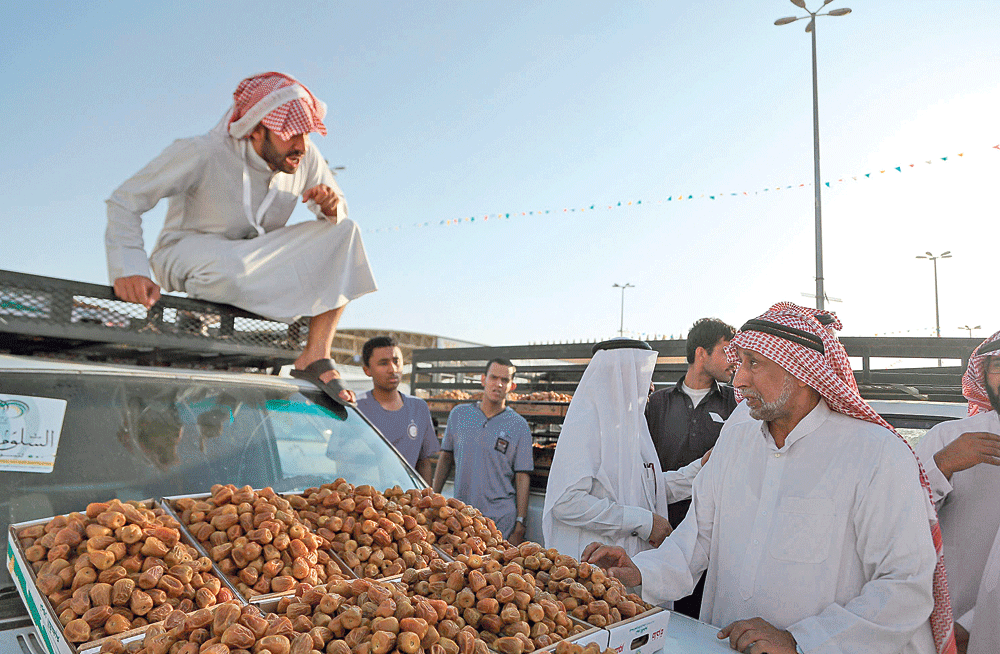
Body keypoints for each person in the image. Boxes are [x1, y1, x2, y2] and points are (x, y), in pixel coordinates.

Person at [584, 303, 957, 654]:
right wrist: (639, 571)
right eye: (739, 362)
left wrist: (800, 641)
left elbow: (904, 587)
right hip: (720, 643)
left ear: (802, 371)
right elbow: (698, 536)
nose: (739, 378)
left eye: (754, 363)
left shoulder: (875, 454)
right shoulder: (736, 436)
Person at [105, 72, 377, 405]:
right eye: (291, 134)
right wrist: (128, 268)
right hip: (186, 252)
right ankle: (200, 316)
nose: (301, 146)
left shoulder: (304, 158)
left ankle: (315, 355)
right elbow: (125, 199)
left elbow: (338, 217)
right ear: (256, 130)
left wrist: (331, 207)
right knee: (233, 268)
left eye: (305, 134)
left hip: (255, 259)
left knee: (345, 231)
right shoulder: (202, 151)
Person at [544, 338, 705, 562]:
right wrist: (643, 522)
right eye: (644, 376)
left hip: (632, 569)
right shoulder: (587, 423)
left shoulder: (631, 427)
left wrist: (701, 469)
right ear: (619, 377)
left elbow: (646, 488)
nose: (651, 387)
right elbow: (566, 502)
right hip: (593, 570)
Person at [645, 318, 737, 617]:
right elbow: (644, 469)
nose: (733, 360)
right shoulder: (657, 404)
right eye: (726, 350)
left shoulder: (735, 405)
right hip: (660, 534)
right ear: (701, 353)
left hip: (713, 537)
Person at [915, 330, 1000, 653]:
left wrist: (974, 625)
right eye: (998, 365)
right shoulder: (948, 438)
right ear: (983, 375)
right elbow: (897, 525)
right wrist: (942, 465)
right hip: (937, 633)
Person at [431, 358, 533, 544]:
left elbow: (522, 476)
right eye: (493, 377)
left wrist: (520, 524)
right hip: (462, 518)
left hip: (501, 520)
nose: (498, 384)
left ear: (512, 386)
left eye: (505, 380)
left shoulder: (519, 426)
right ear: (483, 379)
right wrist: (432, 498)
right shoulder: (459, 414)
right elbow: (445, 458)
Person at [356, 336, 440, 484]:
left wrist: (428, 499)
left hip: (406, 502)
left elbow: (424, 461)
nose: (392, 369)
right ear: (367, 370)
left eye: (396, 361)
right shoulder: (356, 408)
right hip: (366, 502)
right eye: (383, 363)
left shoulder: (419, 408)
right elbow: (342, 462)